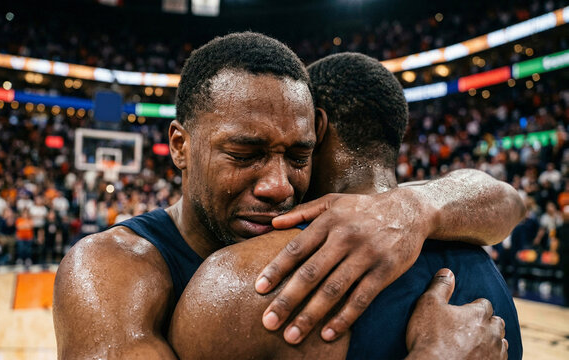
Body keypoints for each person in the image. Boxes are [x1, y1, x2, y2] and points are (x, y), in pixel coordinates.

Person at [54, 33, 522, 359]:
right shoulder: (107, 270)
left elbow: (507, 202)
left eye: (299, 156)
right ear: (180, 145)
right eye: (245, 153)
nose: (279, 186)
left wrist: (416, 206)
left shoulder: (371, 221)